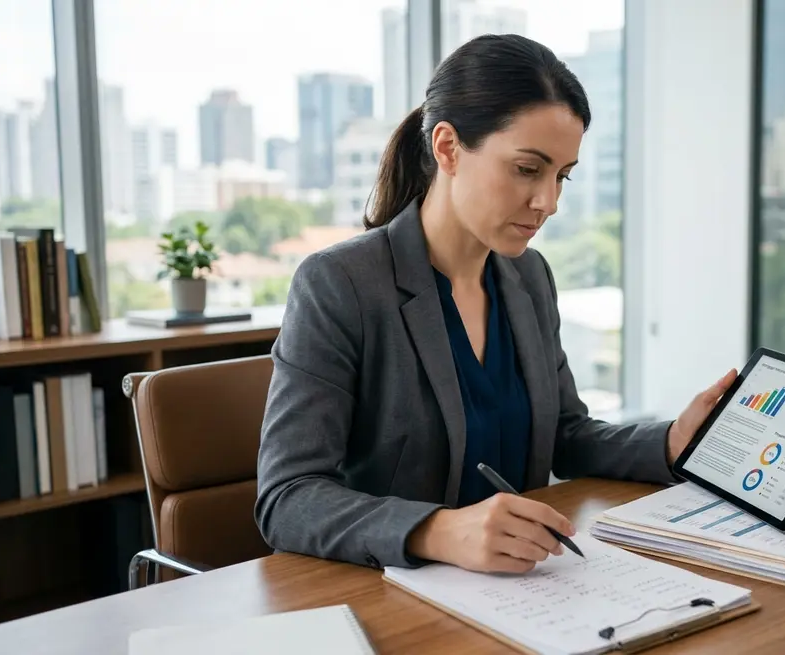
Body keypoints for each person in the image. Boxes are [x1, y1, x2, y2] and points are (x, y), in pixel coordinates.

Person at [254, 33, 737, 575]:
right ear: (448, 148)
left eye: (562, 176)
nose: (548, 202)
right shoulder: (339, 284)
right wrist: (440, 529)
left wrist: (672, 441)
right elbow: (287, 497)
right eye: (528, 169)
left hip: (521, 591)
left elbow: (564, 434)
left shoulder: (528, 277)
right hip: (389, 594)